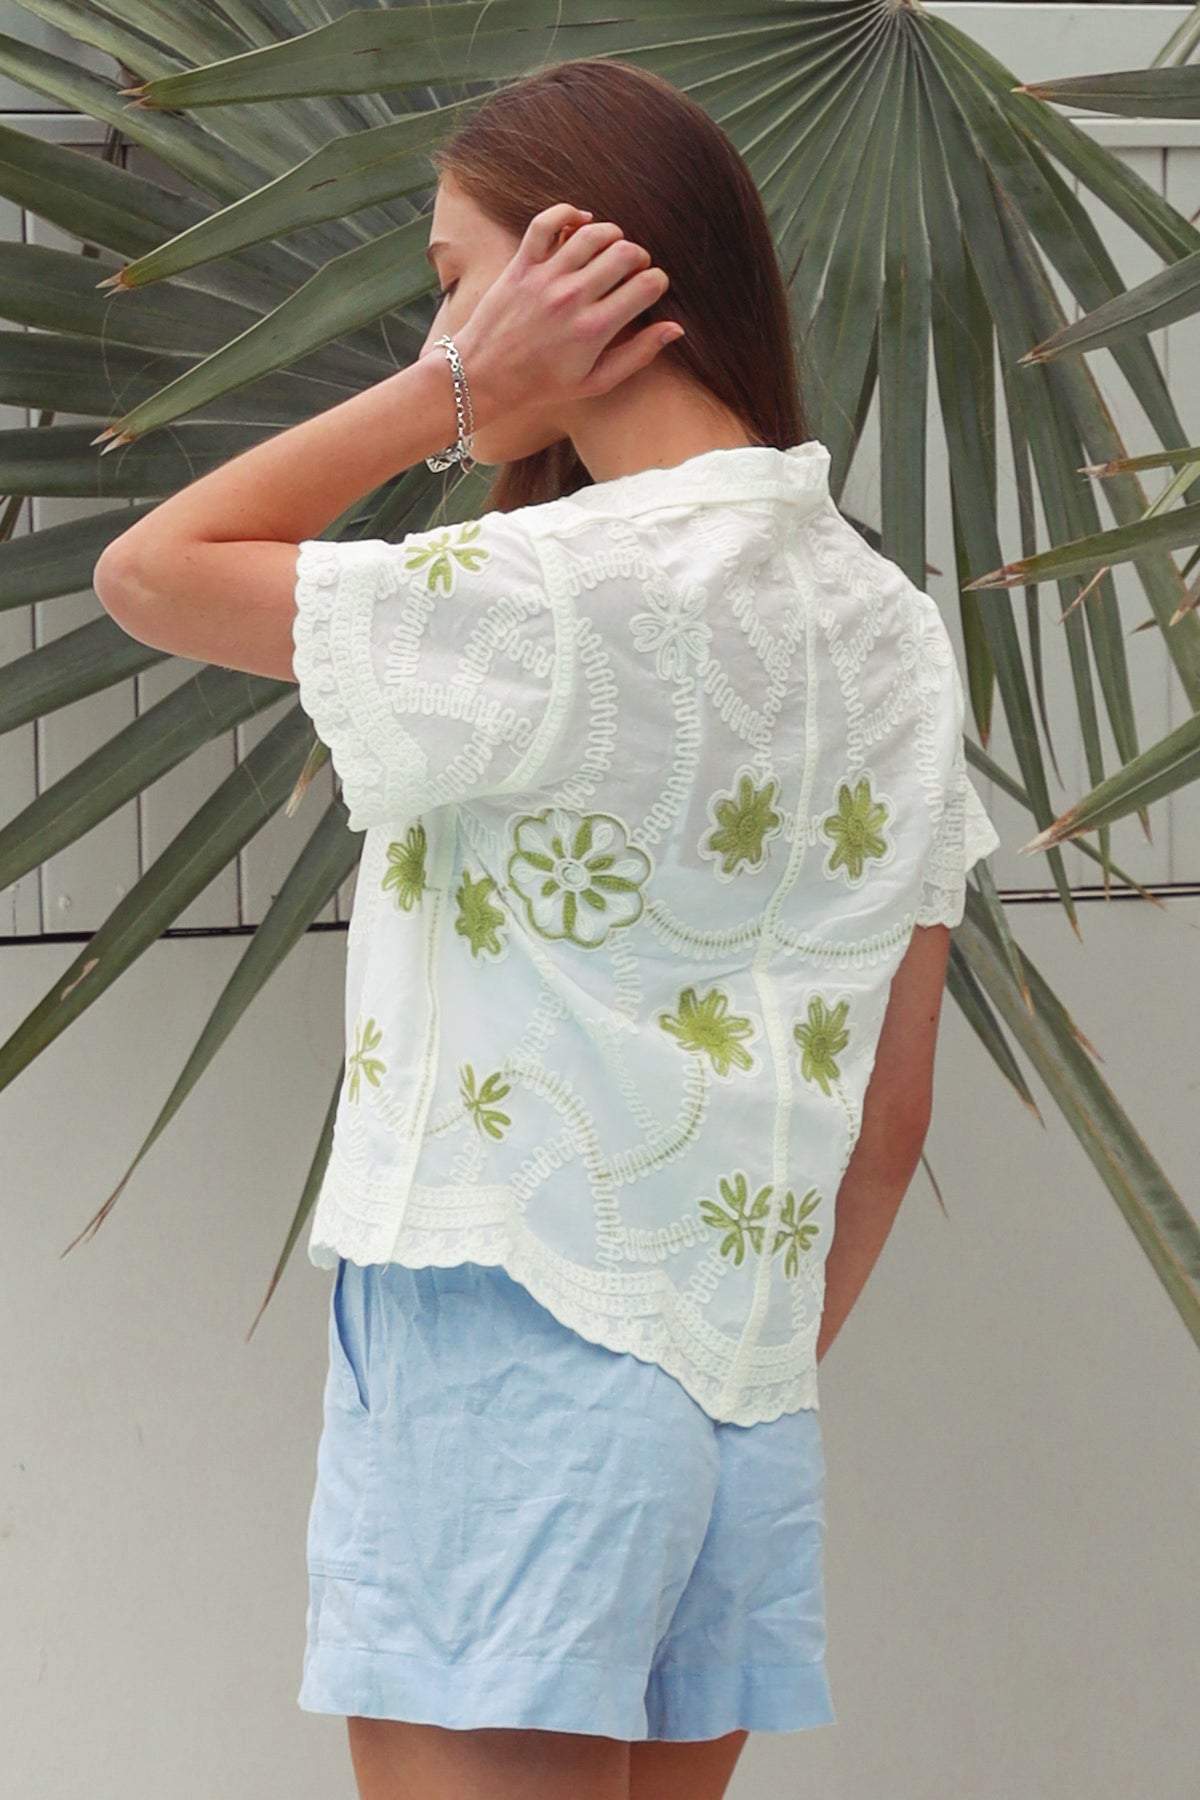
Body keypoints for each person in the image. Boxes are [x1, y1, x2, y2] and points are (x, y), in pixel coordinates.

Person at [93, 54, 1000, 1800]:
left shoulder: (557, 599)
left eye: (453, 281)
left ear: (572, 275)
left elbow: (153, 572)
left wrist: (452, 396)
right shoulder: (889, 631)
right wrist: (718, 1371)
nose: (439, 323)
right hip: (739, 1398)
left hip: (515, 1365)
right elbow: (892, 1121)